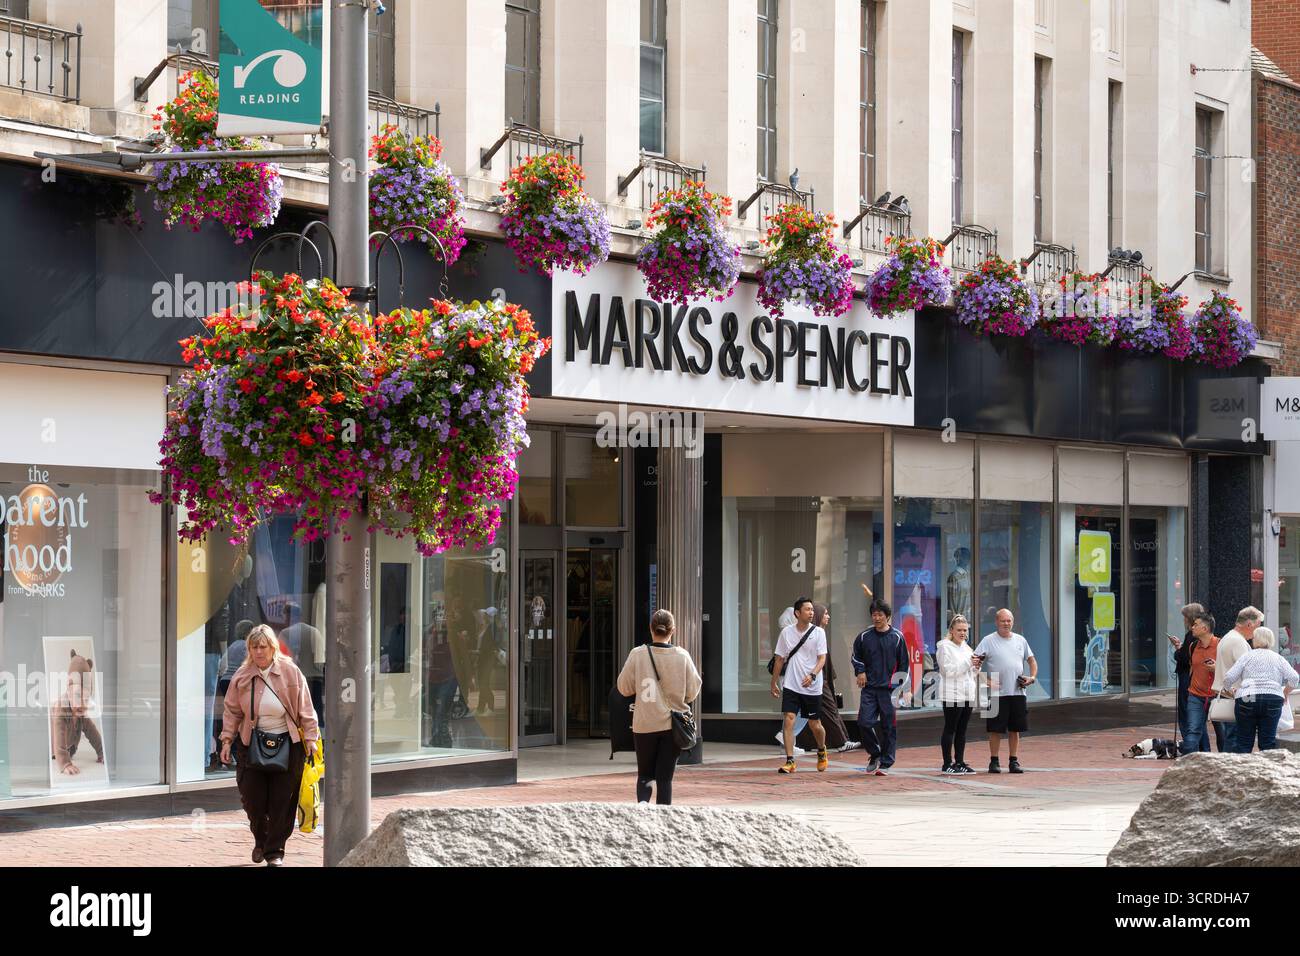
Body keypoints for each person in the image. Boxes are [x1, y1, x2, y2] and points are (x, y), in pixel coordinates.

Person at [219, 624, 320, 867]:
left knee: (281, 802)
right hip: (251, 743)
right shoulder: (243, 676)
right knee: (253, 800)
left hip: (288, 745)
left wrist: (311, 739)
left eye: (262, 647)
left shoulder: (290, 672)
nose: (258, 652)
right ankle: (261, 839)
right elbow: (232, 710)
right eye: (254, 647)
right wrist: (226, 740)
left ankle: (274, 852)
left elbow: (305, 707)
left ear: (272, 648)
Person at [615, 609, 702, 804]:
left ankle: (643, 811)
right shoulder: (682, 656)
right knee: (665, 779)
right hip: (673, 726)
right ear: (673, 630)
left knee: (645, 775)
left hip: (644, 724)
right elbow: (693, 691)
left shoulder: (637, 654)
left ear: (650, 628)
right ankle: (664, 817)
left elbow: (623, 687)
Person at [973, 609, 1037, 773]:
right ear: (996, 622)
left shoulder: (1020, 640)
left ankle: (1013, 761)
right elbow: (974, 663)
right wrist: (986, 681)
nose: (1006, 623)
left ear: (1013, 622)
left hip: (1017, 692)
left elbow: (1031, 660)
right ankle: (994, 762)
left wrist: (1032, 677)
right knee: (994, 729)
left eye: (1009, 620)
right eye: (1003, 621)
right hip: (996, 693)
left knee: (1015, 729)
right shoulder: (988, 640)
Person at [771, 598, 830, 774]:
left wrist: (813, 675)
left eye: (812, 609)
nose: (811, 612)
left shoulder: (819, 632)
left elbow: (822, 658)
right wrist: (773, 682)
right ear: (797, 613)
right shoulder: (786, 633)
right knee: (789, 718)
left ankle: (821, 749)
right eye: (807, 609)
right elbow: (779, 659)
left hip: (812, 686)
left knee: (815, 724)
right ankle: (790, 761)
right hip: (792, 683)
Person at [852, 599, 910, 776]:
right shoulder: (864, 637)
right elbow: (856, 657)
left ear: (888, 616)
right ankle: (875, 753)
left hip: (889, 690)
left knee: (888, 726)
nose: (876, 618)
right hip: (869, 688)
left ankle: (886, 762)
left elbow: (904, 664)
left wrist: (902, 688)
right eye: (874, 615)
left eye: (880, 615)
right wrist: (860, 671)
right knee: (864, 722)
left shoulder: (897, 637)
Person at [1224, 627, 1299, 753]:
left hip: (1248, 696)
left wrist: (1229, 689)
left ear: (1255, 640)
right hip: (1272, 697)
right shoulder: (1278, 658)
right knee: (1268, 742)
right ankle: (1267, 765)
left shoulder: (1247, 656)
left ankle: (1243, 765)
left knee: (1244, 742)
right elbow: (1294, 678)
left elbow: (1229, 677)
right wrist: (1285, 692)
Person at [797, 604, 853, 752]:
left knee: (817, 713)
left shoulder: (820, 633)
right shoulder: (813, 635)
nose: (828, 617)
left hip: (819, 679)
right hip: (816, 679)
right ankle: (842, 741)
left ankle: (806, 743)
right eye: (825, 614)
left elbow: (826, 660)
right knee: (830, 709)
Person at [1211, 606, 1266, 753]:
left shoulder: (1229, 637)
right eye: (1258, 625)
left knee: (1231, 737)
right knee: (1236, 738)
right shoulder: (1238, 642)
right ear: (1249, 624)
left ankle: (1227, 763)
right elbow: (1248, 671)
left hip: (1229, 694)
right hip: (1237, 696)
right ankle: (1231, 765)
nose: (1258, 630)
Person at [936, 614, 977, 774]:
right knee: (950, 728)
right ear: (951, 630)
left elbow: (971, 673)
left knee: (962, 730)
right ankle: (947, 764)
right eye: (959, 630)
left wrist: (976, 666)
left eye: (965, 630)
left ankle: (960, 762)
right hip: (952, 694)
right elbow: (947, 671)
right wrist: (968, 663)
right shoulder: (944, 647)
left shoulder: (967, 648)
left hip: (967, 693)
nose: (962, 633)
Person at [1180, 610, 1220, 754]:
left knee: (1223, 734)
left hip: (1217, 697)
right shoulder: (1193, 646)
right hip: (1195, 696)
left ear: (1205, 628)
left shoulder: (1221, 645)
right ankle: (1188, 763)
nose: (1192, 627)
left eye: (1195, 625)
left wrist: (1217, 668)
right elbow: (1192, 668)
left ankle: (1226, 762)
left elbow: (1232, 670)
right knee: (1192, 730)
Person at [1167, 603, 1206, 746]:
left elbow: (1184, 657)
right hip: (1194, 677)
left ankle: (1191, 746)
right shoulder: (1200, 636)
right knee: (1196, 717)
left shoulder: (1192, 635)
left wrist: (1178, 650)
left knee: (1187, 714)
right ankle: (1200, 747)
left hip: (1187, 678)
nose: (1183, 620)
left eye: (1184, 617)